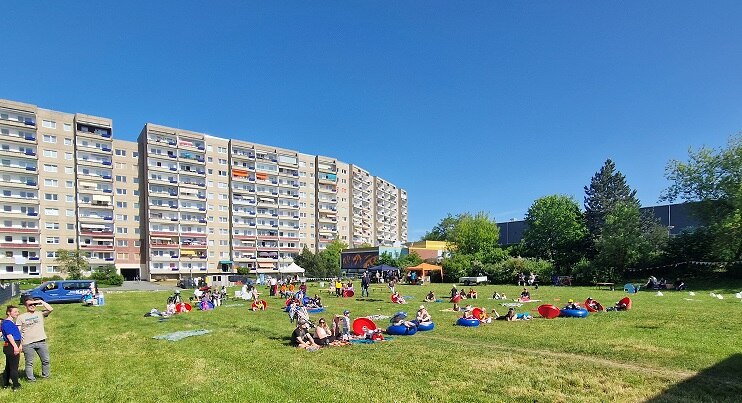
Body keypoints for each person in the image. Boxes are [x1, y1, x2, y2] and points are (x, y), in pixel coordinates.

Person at [17, 298, 53, 381]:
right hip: (27, 343)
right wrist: (19, 344)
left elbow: (50, 309)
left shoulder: (40, 313)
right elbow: (18, 332)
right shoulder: (21, 317)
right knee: (29, 363)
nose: (32, 306)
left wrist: (40, 302)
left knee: (46, 360)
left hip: (41, 341)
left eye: (34, 304)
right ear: (25, 305)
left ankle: (46, 376)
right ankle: (31, 379)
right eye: (30, 304)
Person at [2, 305, 22, 391]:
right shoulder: (6, 323)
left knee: (9, 366)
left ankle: (5, 383)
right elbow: (9, 336)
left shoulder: (11, 322)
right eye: (15, 312)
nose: (17, 313)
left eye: (17, 311)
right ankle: (16, 386)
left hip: (13, 344)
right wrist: (15, 347)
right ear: (8, 313)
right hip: (11, 345)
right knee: (14, 367)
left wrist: (19, 344)